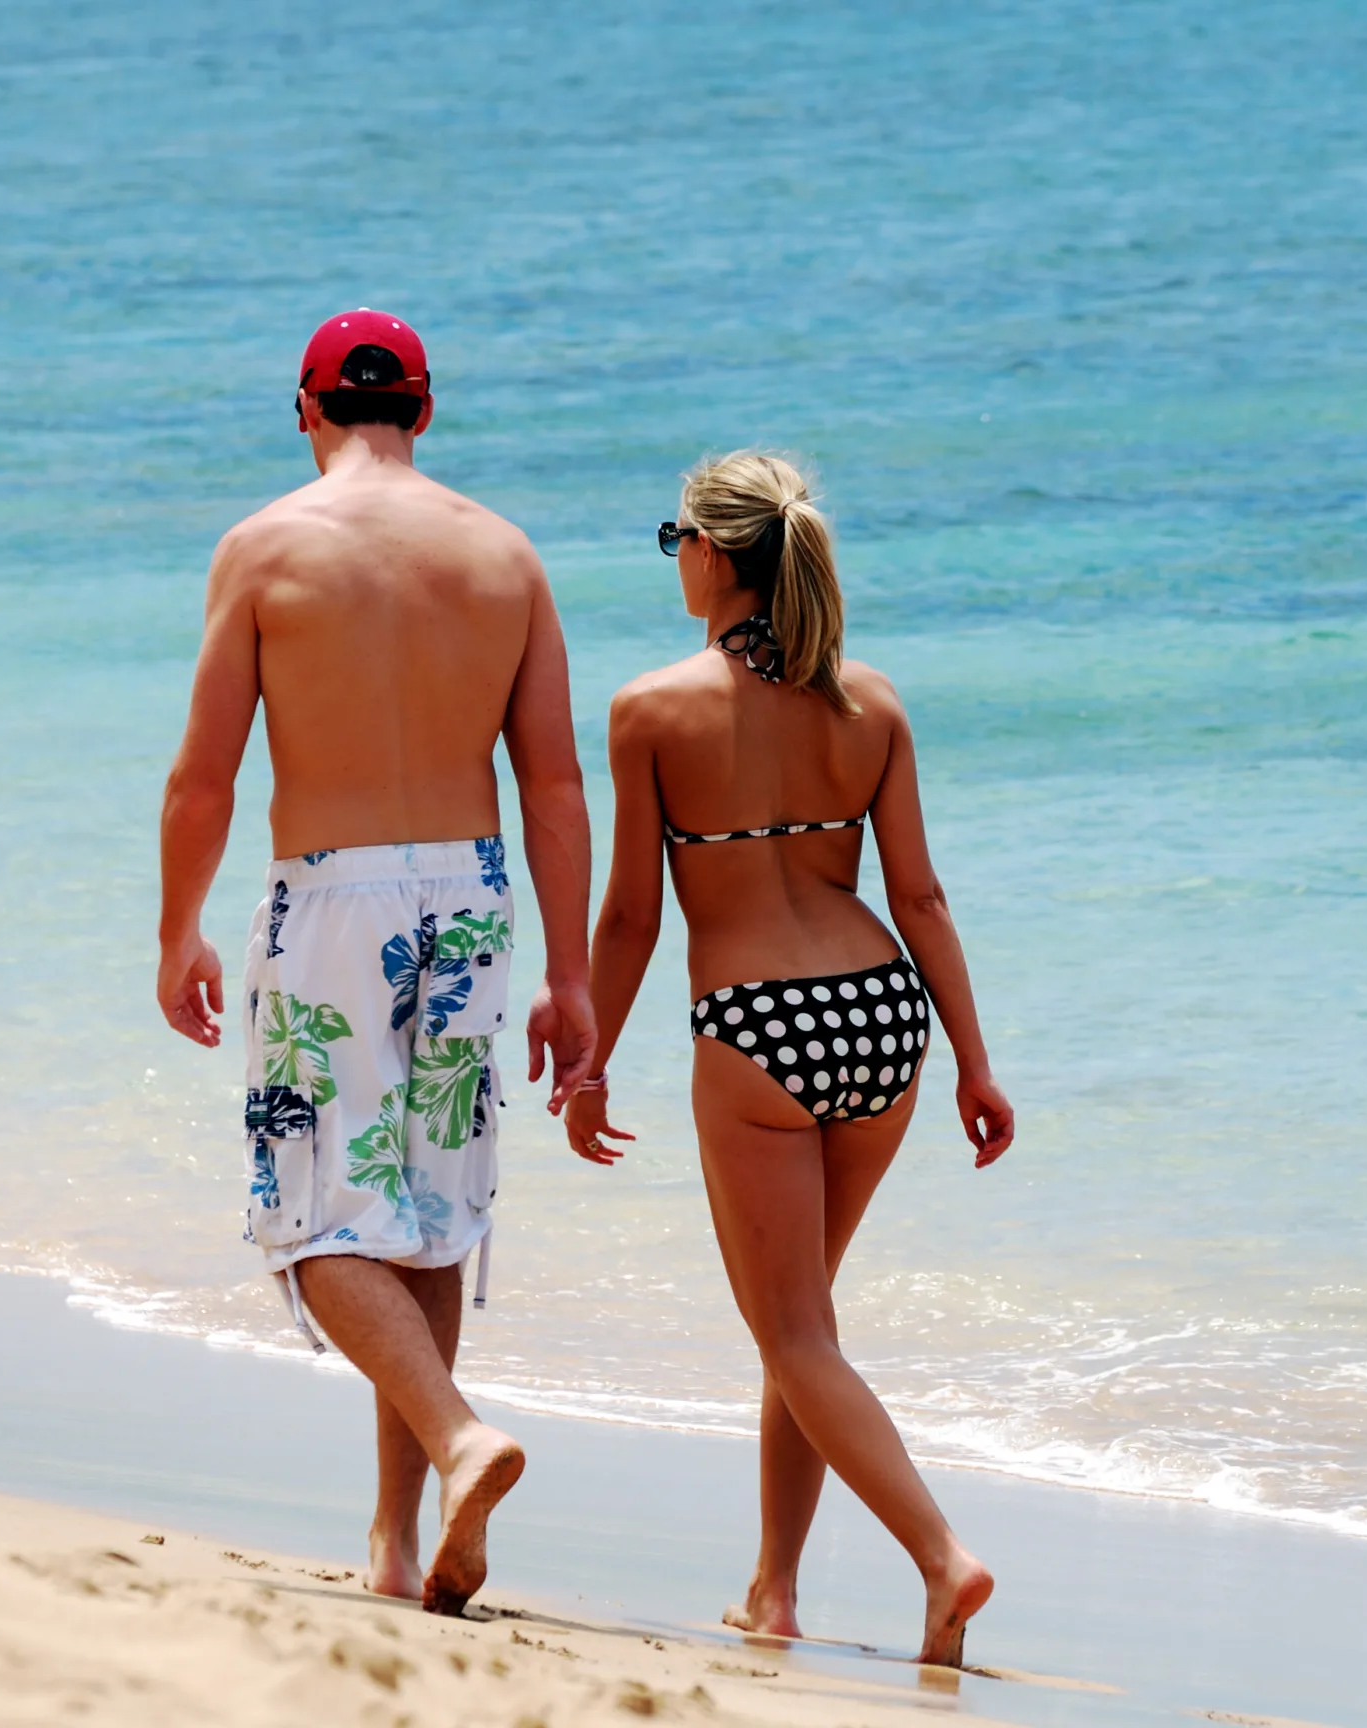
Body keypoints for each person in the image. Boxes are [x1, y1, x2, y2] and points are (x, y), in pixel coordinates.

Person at [154, 309, 596, 1615]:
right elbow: (556, 787)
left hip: (330, 897)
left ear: (305, 409)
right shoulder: (504, 554)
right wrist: (570, 976)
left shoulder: (266, 547)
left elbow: (205, 776)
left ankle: (458, 1441)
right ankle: (402, 1546)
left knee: (313, 1213)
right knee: (430, 1212)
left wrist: (176, 927)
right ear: (425, 409)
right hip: (470, 893)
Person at [563, 451, 1016, 1668]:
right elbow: (916, 896)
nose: (677, 560)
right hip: (881, 1017)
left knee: (795, 1334)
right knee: (800, 1324)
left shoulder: (649, 710)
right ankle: (772, 1590)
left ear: (713, 556)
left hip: (760, 1028)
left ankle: (940, 1557)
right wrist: (974, 1064)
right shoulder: (869, 705)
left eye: (677, 539)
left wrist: (586, 1059)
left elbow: (631, 920)